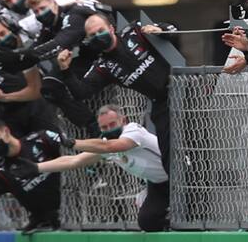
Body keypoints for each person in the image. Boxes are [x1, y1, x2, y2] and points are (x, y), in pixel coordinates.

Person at [24, 104, 169, 232]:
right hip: (157, 184)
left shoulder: (133, 131)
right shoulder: (105, 144)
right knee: (147, 222)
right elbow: (74, 160)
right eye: (104, 127)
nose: (109, 129)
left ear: (123, 121)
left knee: (180, 211)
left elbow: (111, 146)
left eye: (112, 124)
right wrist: (36, 167)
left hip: (174, 178)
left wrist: (72, 142)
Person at [56, 13, 172, 167]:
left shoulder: (135, 31)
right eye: (92, 35)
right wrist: (65, 70)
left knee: (196, 142)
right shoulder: (104, 66)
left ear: (111, 28)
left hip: (182, 89)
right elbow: (81, 92)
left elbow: (173, 29)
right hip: (160, 103)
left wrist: (160, 29)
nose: (98, 36)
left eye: (101, 31)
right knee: (169, 158)